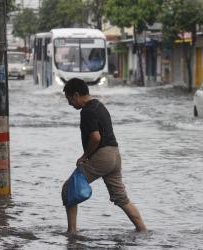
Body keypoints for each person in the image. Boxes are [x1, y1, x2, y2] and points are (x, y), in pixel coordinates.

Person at [61, 78, 147, 234]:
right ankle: (142, 229)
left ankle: (71, 231)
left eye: (69, 99)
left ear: (76, 94)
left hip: (103, 156)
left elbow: (95, 138)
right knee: (121, 198)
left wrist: (84, 157)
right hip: (115, 154)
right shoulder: (100, 106)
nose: (69, 104)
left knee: (69, 188)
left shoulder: (87, 111)